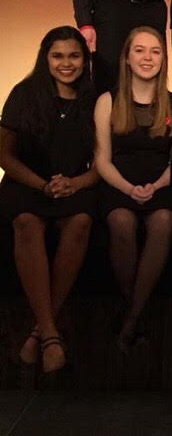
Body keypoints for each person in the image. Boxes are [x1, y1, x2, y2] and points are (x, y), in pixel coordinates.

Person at [0, 26, 97, 373]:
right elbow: (4, 156)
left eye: (74, 56)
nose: (66, 63)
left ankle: (39, 330)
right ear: (46, 59)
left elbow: (103, 162)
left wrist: (75, 183)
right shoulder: (24, 94)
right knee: (26, 222)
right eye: (58, 56)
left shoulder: (95, 99)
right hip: (27, 182)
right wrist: (42, 186)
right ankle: (51, 335)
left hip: (74, 185)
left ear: (84, 60)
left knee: (82, 221)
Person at [94, 26, 172, 352]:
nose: (147, 57)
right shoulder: (107, 101)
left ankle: (129, 319)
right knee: (121, 222)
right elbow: (102, 160)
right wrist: (129, 190)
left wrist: (155, 186)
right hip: (118, 183)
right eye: (139, 50)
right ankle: (136, 313)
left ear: (163, 59)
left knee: (163, 222)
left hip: (162, 184)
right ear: (127, 58)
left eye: (155, 51)